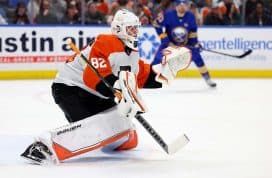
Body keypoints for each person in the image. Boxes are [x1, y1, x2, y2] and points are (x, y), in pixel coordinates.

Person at [20, 9, 190, 164]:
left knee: (124, 128)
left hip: (96, 95)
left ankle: (86, 129)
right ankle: (43, 146)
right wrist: (121, 89)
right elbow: (92, 77)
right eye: (130, 28)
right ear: (118, 29)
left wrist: (164, 70)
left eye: (136, 28)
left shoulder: (132, 50)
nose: (135, 32)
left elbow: (141, 77)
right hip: (70, 90)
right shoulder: (105, 42)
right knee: (97, 129)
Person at [152, 0, 217, 87]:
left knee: (197, 57)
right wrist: (164, 38)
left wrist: (195, 43)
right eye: (181, 5)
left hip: (186, 43)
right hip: (169, 43)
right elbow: (156, 24)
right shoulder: (167, 14)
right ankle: (148, 76)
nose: (183, 7)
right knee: (158, 58)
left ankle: (207, 78)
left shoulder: (190, 16)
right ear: (176, 5)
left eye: (185, 5)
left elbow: (193, 32)